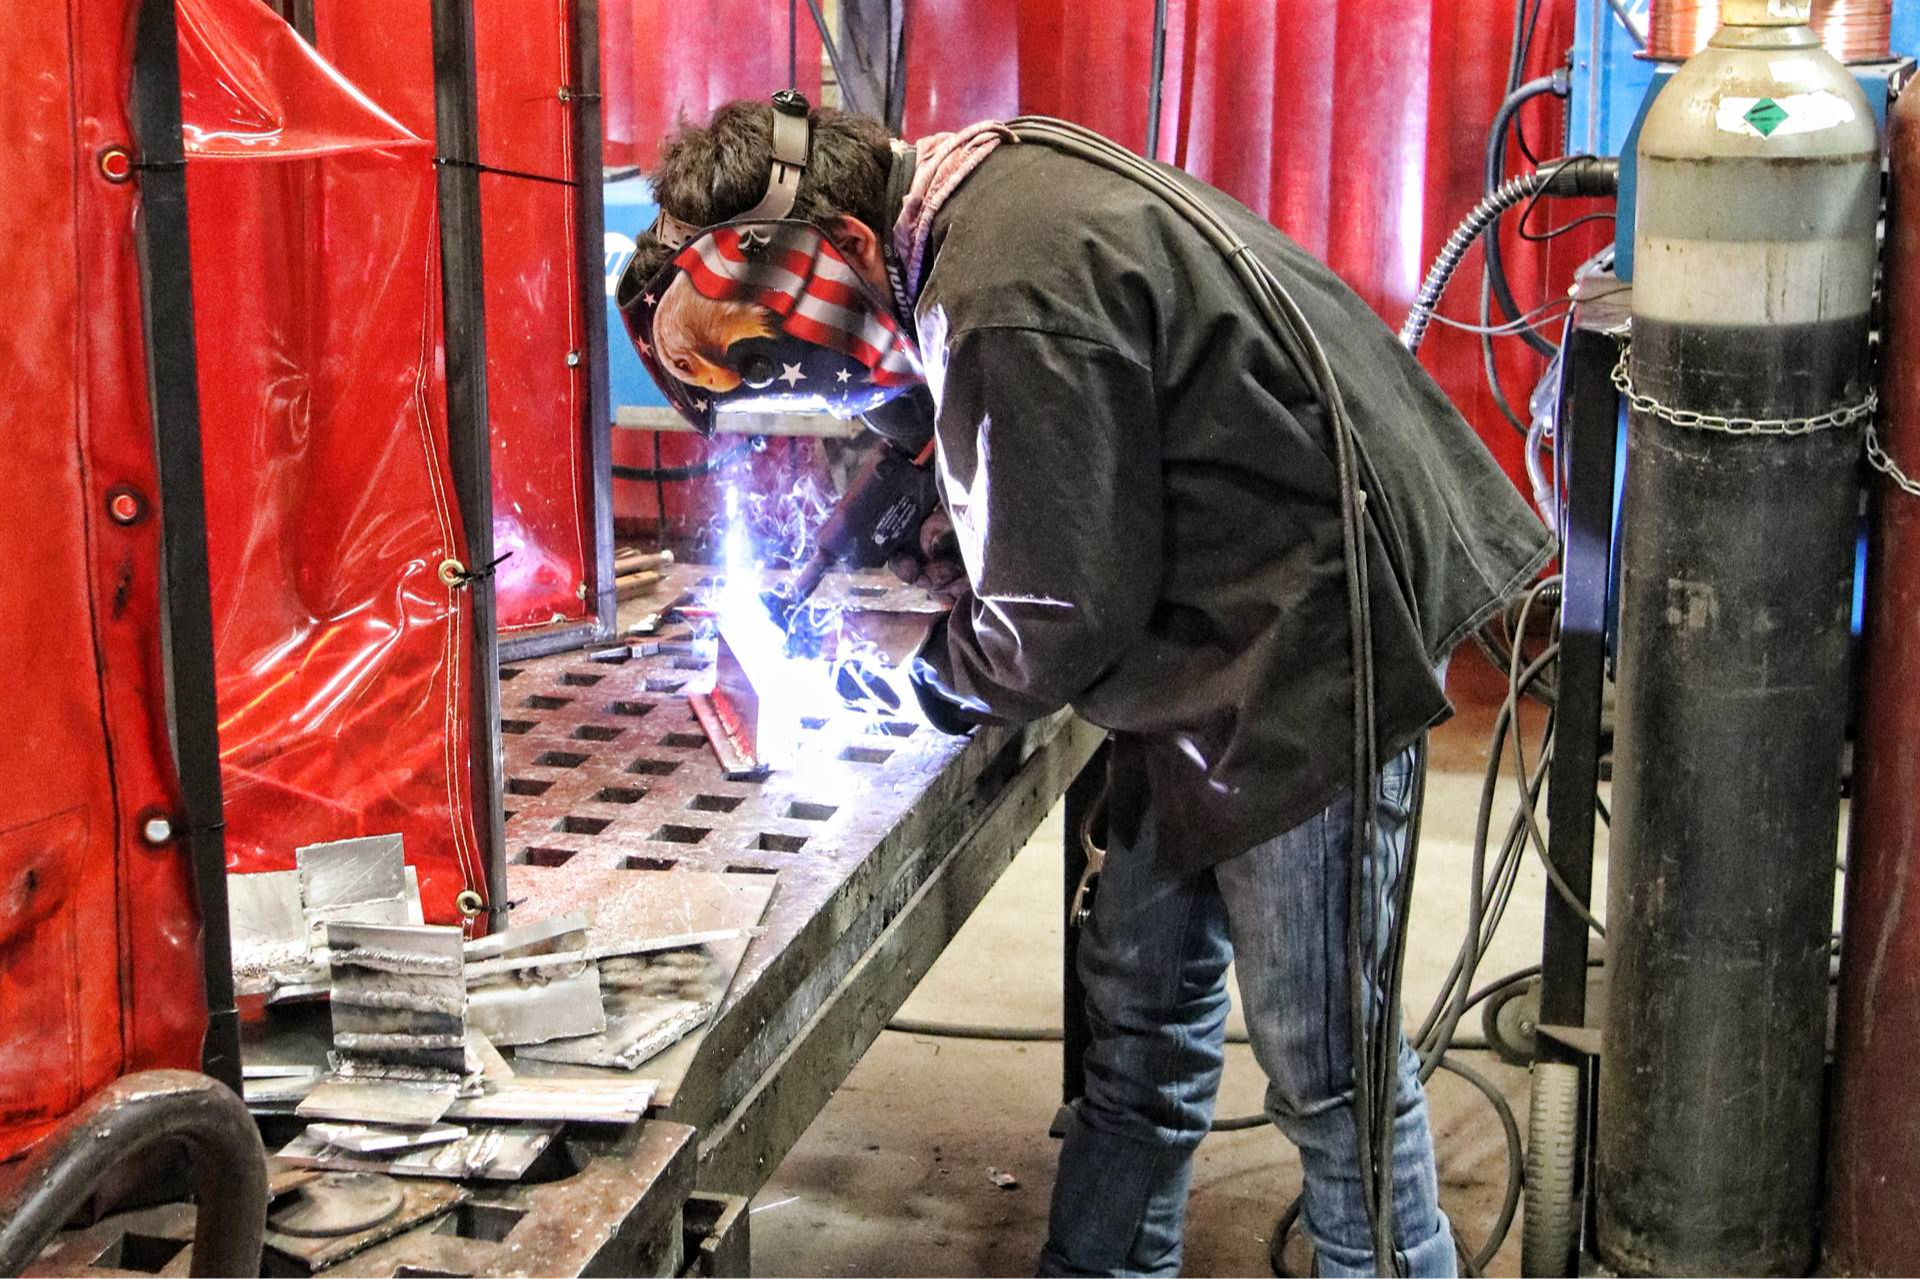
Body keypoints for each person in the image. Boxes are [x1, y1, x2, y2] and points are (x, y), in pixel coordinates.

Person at [621, 98, 1552, 1279]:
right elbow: (1050, 442)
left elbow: (1055, 618)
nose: (809, 373)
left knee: (1327, 1069)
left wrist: (926, 683)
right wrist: (944, 516)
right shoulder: (977, 200)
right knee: (1141, 1025)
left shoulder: (1001, 288)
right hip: (1191, 639)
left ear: (851, 244)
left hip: (1304, 647)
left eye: (797, 344)